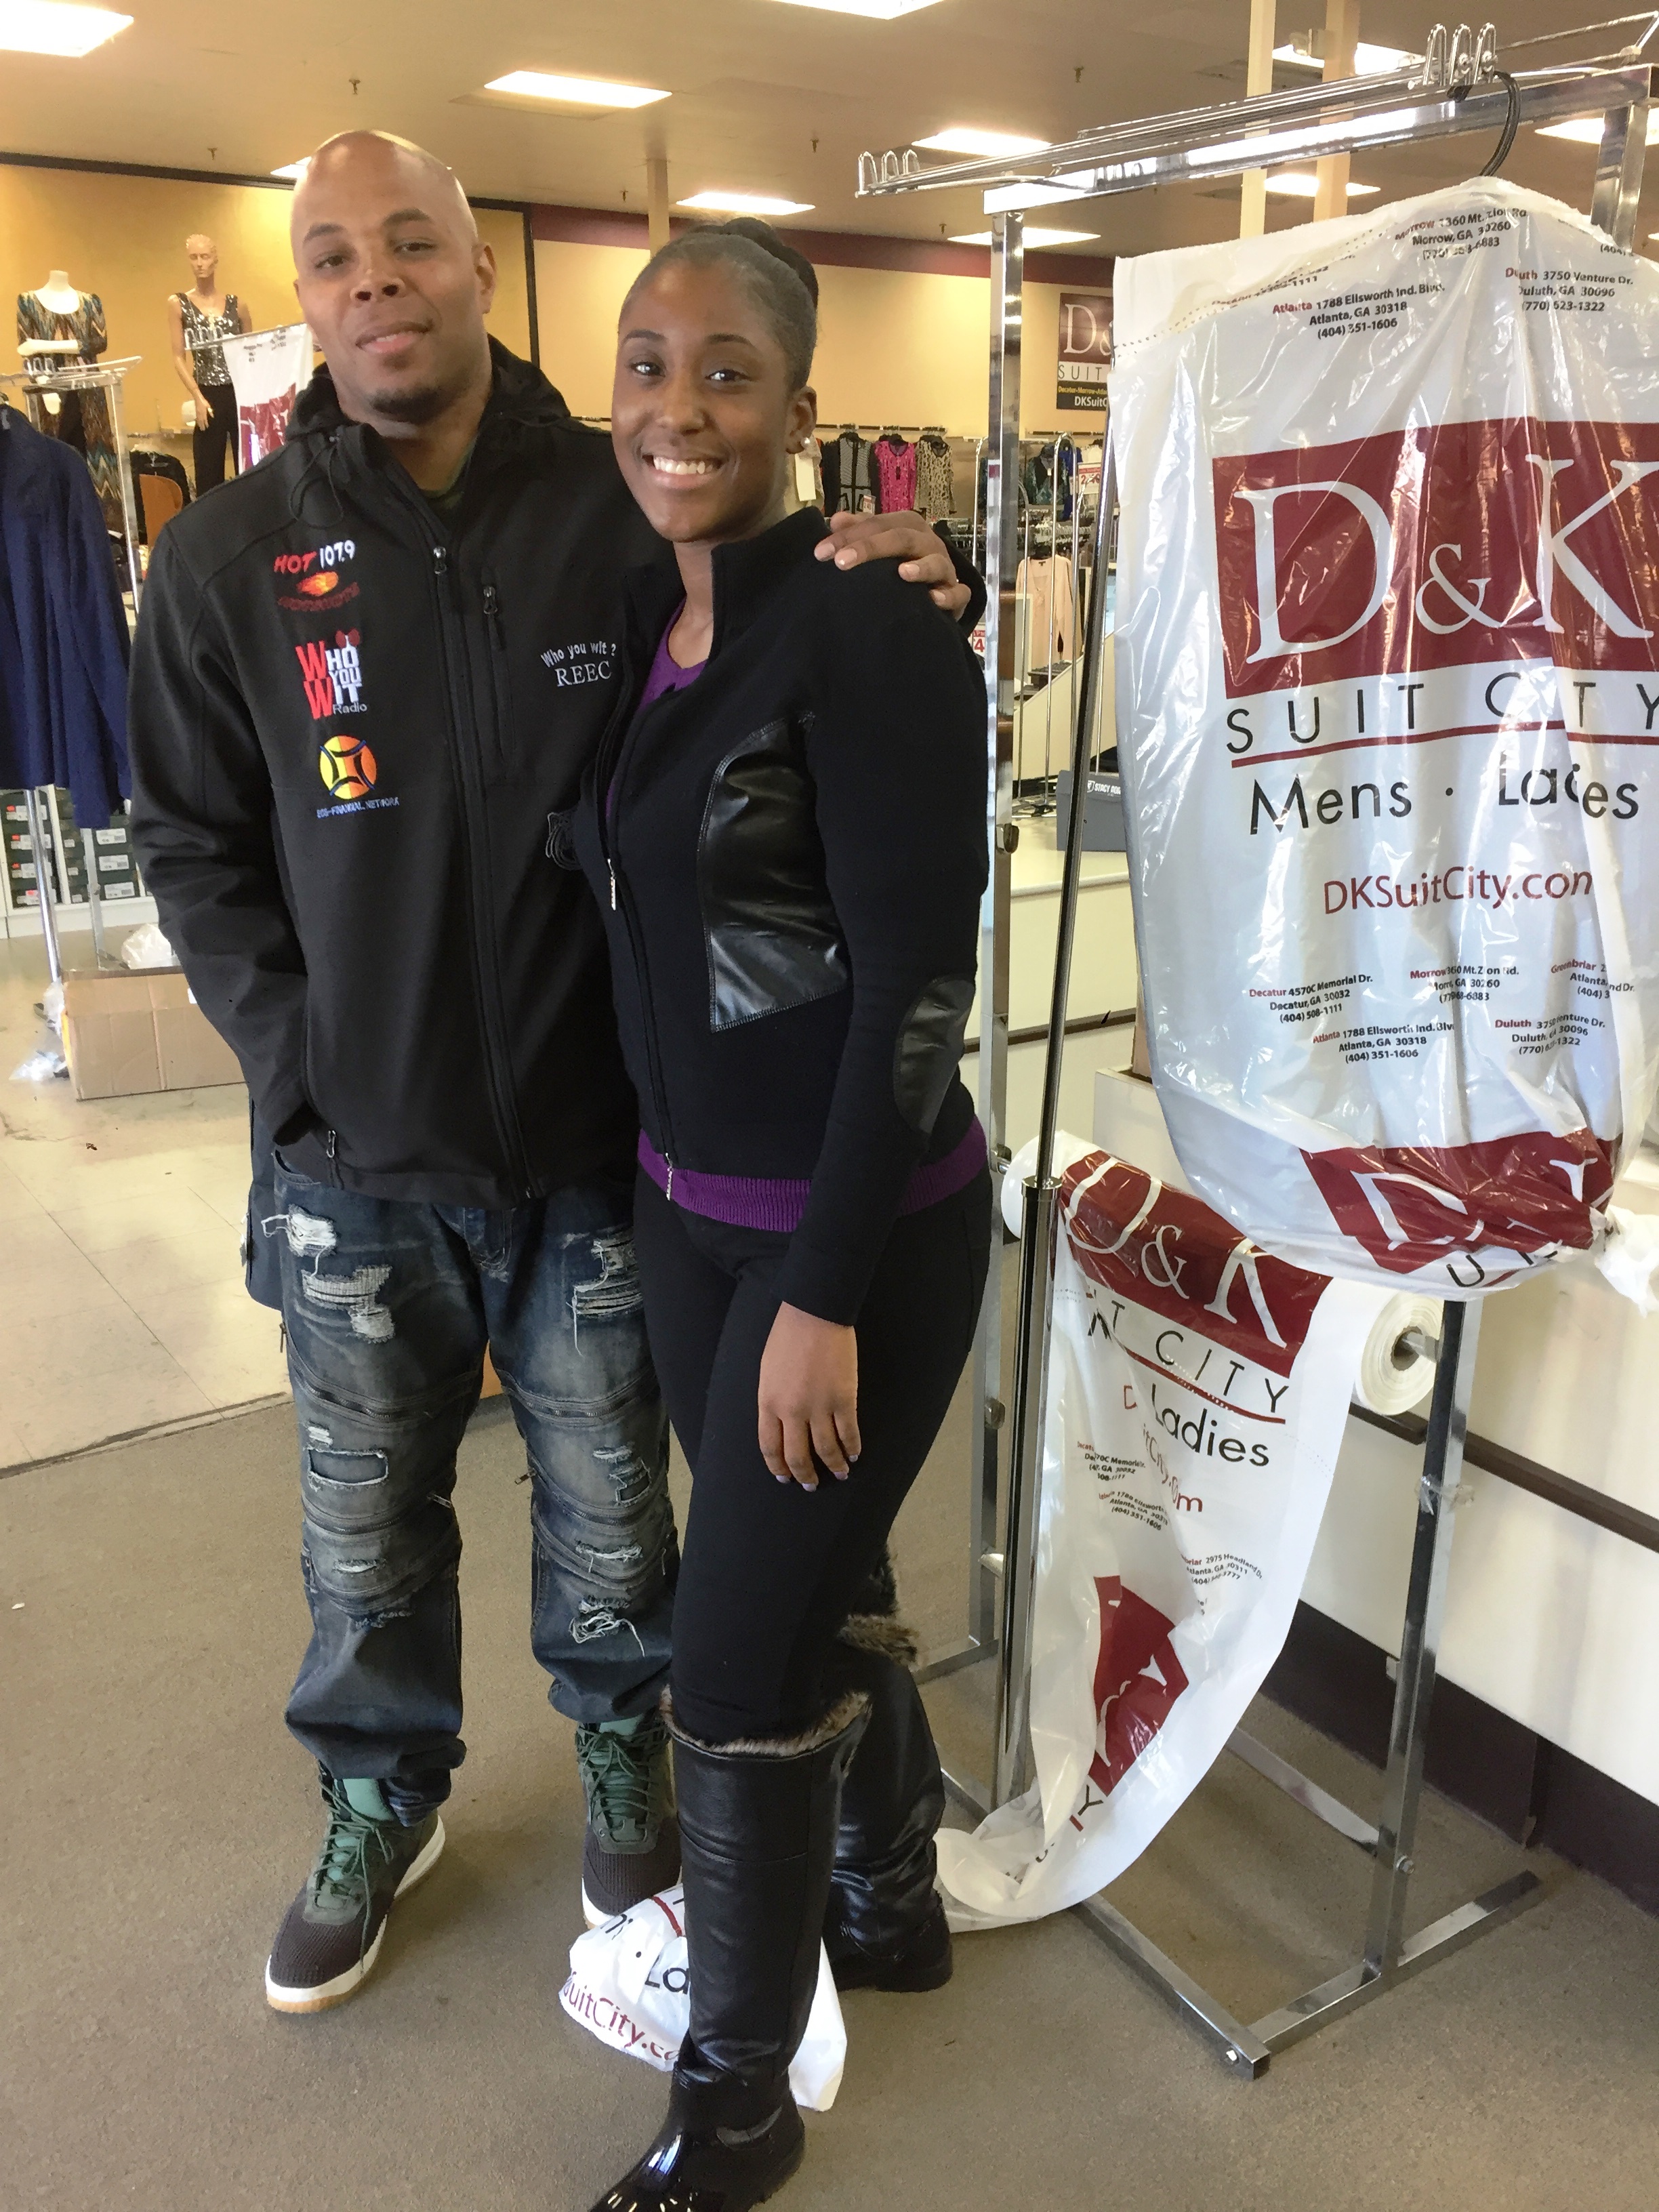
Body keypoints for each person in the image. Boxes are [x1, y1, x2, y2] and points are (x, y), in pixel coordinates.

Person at [126, 131, 979, 2020]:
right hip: (353, 1163)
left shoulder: (621, 501)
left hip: (604, 1155)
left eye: (411, 243)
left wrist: (941, 562)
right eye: (332, 255)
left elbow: (799, 621)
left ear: (479, 268)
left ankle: (622, 1760)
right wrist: (299, 1065)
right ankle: (379, 1797)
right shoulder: (226, 557)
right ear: (304, 297)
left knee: (617, 1524)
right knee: (364, 1531)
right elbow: (186, 840)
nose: (375, 280)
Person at [571, 224, 990, 2212]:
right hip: (685, 1217)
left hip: (854, 1240)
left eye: (727, 369)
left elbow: (915, 979)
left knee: (731, 1659)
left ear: (805, 406)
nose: (679, 406)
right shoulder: (647, 609)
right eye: (646, 363)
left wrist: (820, 1290)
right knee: (797, 1590)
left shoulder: (864, 618)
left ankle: (738, 2095)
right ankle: (889, 1894)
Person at [166, 234, 253, 491]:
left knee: (248, 467)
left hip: (238, 393)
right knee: (208, 473)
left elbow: (250, 354)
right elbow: (178, 356)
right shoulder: (179, 304)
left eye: (204, 256)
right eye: (194, 257)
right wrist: (197, 396)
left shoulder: (238, 305)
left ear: (215, 259)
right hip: (206, 393)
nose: (199, 263)